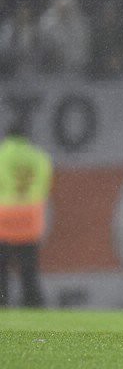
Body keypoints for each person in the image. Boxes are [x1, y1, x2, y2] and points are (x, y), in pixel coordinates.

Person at [0, 125, 53, 307]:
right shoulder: (39, 157)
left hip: (4, 218)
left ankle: (2, 304)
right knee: (29, 270)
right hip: (30, 219)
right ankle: (33, 304)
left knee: (1, 270)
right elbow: (44, 186)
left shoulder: (2, 155)